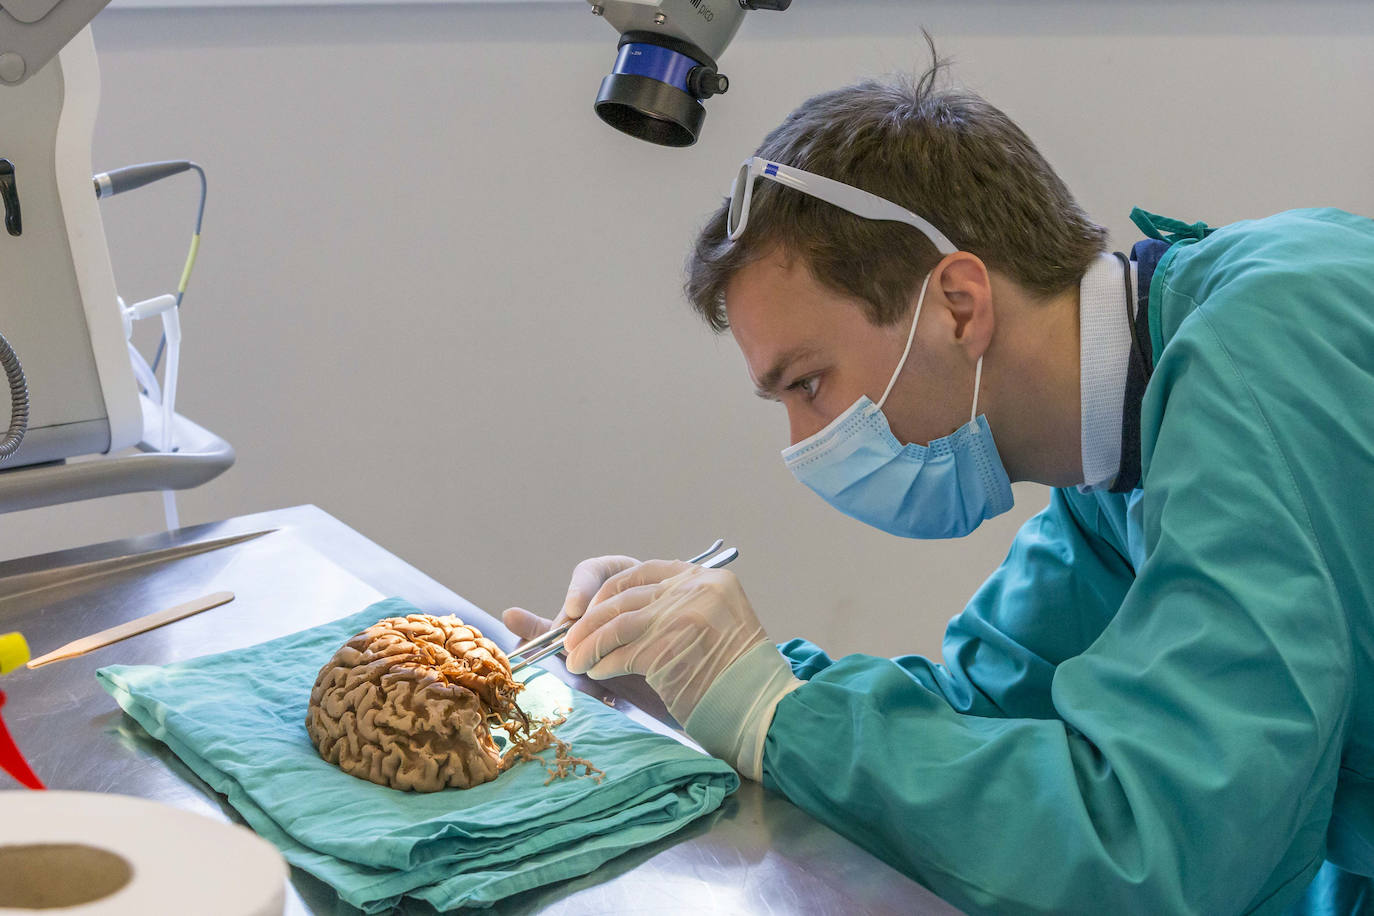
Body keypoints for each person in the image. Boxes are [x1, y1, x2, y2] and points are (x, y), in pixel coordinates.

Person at [502, 58, 1374, 914]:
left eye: (808, 384)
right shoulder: (1116, 457)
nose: (806, 444)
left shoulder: (1264, 354)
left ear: (959, 302)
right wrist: (709, 679)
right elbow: (981, 712)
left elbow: (1150, 847)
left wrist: (774, 714)